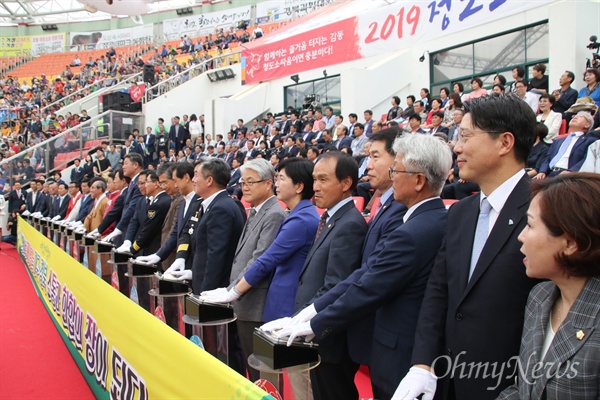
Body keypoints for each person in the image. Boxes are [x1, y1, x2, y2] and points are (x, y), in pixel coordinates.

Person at [277, 133, 452, 400]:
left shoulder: (414, 230)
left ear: (418, 181)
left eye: (397, 170)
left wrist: (314, 323)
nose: (392, 176)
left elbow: (369, 285)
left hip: (400, 351)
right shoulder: (423, 220)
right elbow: (365, 273)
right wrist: (310, 312)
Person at [393, 94, 540, 400]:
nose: (456, 148)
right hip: (449, 379)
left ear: (504, 143)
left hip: (508, 384)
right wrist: (422, 363)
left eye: (466, 137)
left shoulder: (542, 210)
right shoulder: (461, 211)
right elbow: (438, 291)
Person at [497, 173, 600, 400]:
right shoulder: (540, 297)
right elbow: (524, 390)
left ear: (571, 243)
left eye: (531, 226)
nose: (521, 237)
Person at [288, 152, 369, 400]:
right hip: (316, 333)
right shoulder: (332, 219)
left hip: (329, 339)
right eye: (314, 180)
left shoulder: (349, 224)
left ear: (346, 184)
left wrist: (304, 321)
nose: (316, 188)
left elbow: (336, 285)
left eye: (323, 180)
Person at [535, 112, 598, 178]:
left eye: (581, 116)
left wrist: (571, 171)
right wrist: (542, 171)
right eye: (574, 115)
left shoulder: (590, 141)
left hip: (570, 176)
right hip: (550, 173)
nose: (575, 117)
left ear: (587, 125)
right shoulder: (558, 140)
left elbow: (586, 160)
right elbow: (547, 158)